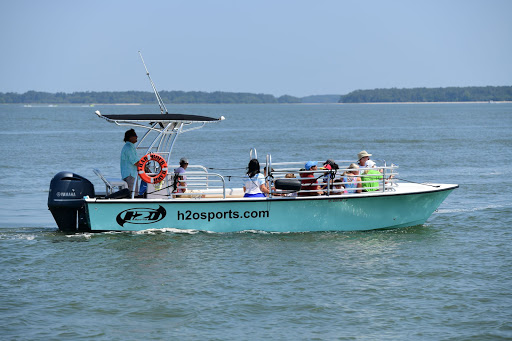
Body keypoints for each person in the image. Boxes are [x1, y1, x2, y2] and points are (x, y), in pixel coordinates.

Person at [120, 129, 139, 195]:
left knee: (131, 193)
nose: (137, 137)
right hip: (130, 175)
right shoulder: (129, 148)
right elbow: (135, 162)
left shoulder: (128, 146)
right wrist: (145, 168)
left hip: (127, 174)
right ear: (130, 137)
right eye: (135, 135)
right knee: (133, 194)